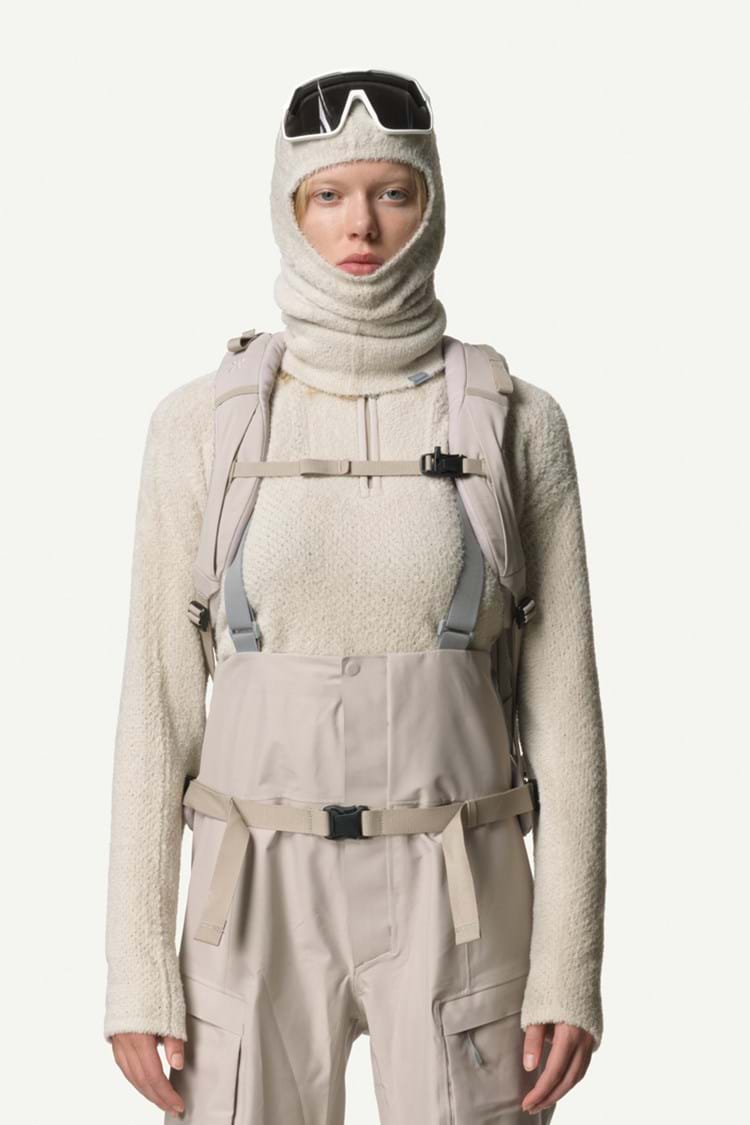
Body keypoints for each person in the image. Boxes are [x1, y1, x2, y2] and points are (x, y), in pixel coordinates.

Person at [103, 70, 607, 1123]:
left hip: (462, 893)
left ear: (432, 203)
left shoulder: (520, 422)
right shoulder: (200, 424)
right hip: (251, 901)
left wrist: (570, 964)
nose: (361, 226)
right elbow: (157, 709)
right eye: (328, 195)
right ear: (288, 207)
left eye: (393, 192)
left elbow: (566, 723)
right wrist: (137, 971)